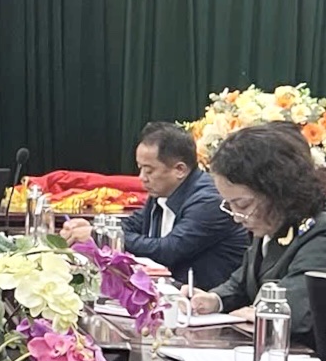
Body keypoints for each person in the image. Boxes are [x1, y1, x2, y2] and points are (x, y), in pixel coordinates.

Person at [187, 123, 326, 338]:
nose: (236, 216)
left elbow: (294, 312)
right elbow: (245, 281)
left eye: (242, 205)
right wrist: (215, 300)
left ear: (277, 190)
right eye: (229, 204)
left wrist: (258, 313)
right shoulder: (271, 219)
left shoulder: (324, 233)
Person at [62, 123, 248, 289]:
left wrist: (101, 235)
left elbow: (168, 250)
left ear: (180, 170)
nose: (142, 177)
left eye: (149, 170)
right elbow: (132, 224)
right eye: (140, 168)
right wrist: (93, 228)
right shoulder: (161, 192)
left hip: (208, 302)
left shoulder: (209, 201)